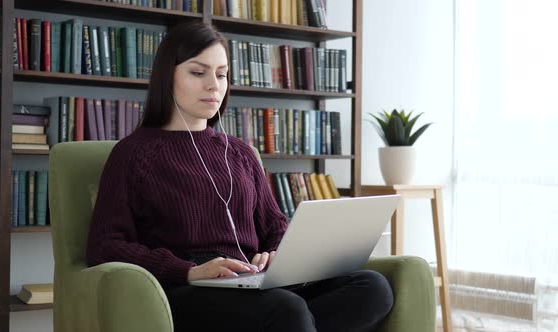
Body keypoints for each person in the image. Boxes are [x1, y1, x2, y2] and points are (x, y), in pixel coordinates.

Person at [86, 21, 393, 332]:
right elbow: (105, 245)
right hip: (187, 289)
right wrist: (189, 271)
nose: (214, 85)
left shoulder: (240, 152)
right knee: (287, 309)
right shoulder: (133, 153)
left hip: (250, 283)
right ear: (168, 76)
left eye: (221, 74)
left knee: (372, 288)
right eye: (198, 72)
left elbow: (275, 226)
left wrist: (274, 255)